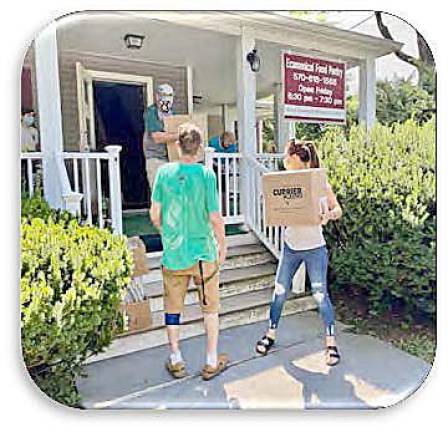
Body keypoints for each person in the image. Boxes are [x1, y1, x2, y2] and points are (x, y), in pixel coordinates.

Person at [150, 123, 229, 381]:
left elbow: (155, 215)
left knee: (173, 308)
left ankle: (176, 359)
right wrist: (223, 244)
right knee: (210, 309)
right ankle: (210, 361)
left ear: (177, 145)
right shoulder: (207, 175)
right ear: (199, 148)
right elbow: (215, 217)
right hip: (202, 253)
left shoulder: (163, 173)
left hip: (174, 254)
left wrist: (167, 232)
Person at [255, 139, 343, 366]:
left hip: (315, 248)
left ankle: (331, 344)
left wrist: (328, 215)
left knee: (320, 295)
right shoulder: (285, 182)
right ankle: (270, 334)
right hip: (291, 247)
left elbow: (338, 209)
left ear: (298, 159)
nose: (286, 163)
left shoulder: (319, 183)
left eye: (289, 159)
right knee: (280, 291)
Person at [143, 83, 179, 189]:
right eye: (164, 94)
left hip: (171, 160)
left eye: (170, 95)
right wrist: (180, 135)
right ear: (157, 96)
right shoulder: (151, 113)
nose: (167, 98)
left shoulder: (172, 115)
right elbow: (157, 137)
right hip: (156, 159)